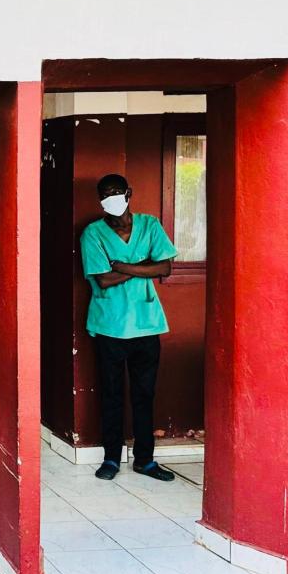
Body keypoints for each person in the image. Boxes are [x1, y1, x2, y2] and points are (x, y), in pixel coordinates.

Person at [80, 174, 178, 483]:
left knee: (144, 394)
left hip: (147, 324)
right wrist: (143, 266)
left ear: (128, 193)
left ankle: (145, 460)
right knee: (111, 394)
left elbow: (165, 267)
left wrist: (121, 266)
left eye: (116, 192)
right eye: (105, 194)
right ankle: (111, 457)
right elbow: (103, 279)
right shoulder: (92, 234)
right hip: (109, 325)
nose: (111, 198)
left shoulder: (149, 225)